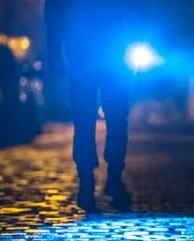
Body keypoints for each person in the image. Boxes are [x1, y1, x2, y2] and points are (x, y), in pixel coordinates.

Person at [44, 0, 138, 212]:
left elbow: (54, 11)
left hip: (89, 52)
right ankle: (104, 179)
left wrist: (54, 52)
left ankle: (94, 181)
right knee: (111, 120)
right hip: (105, 51)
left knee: (89, 121)